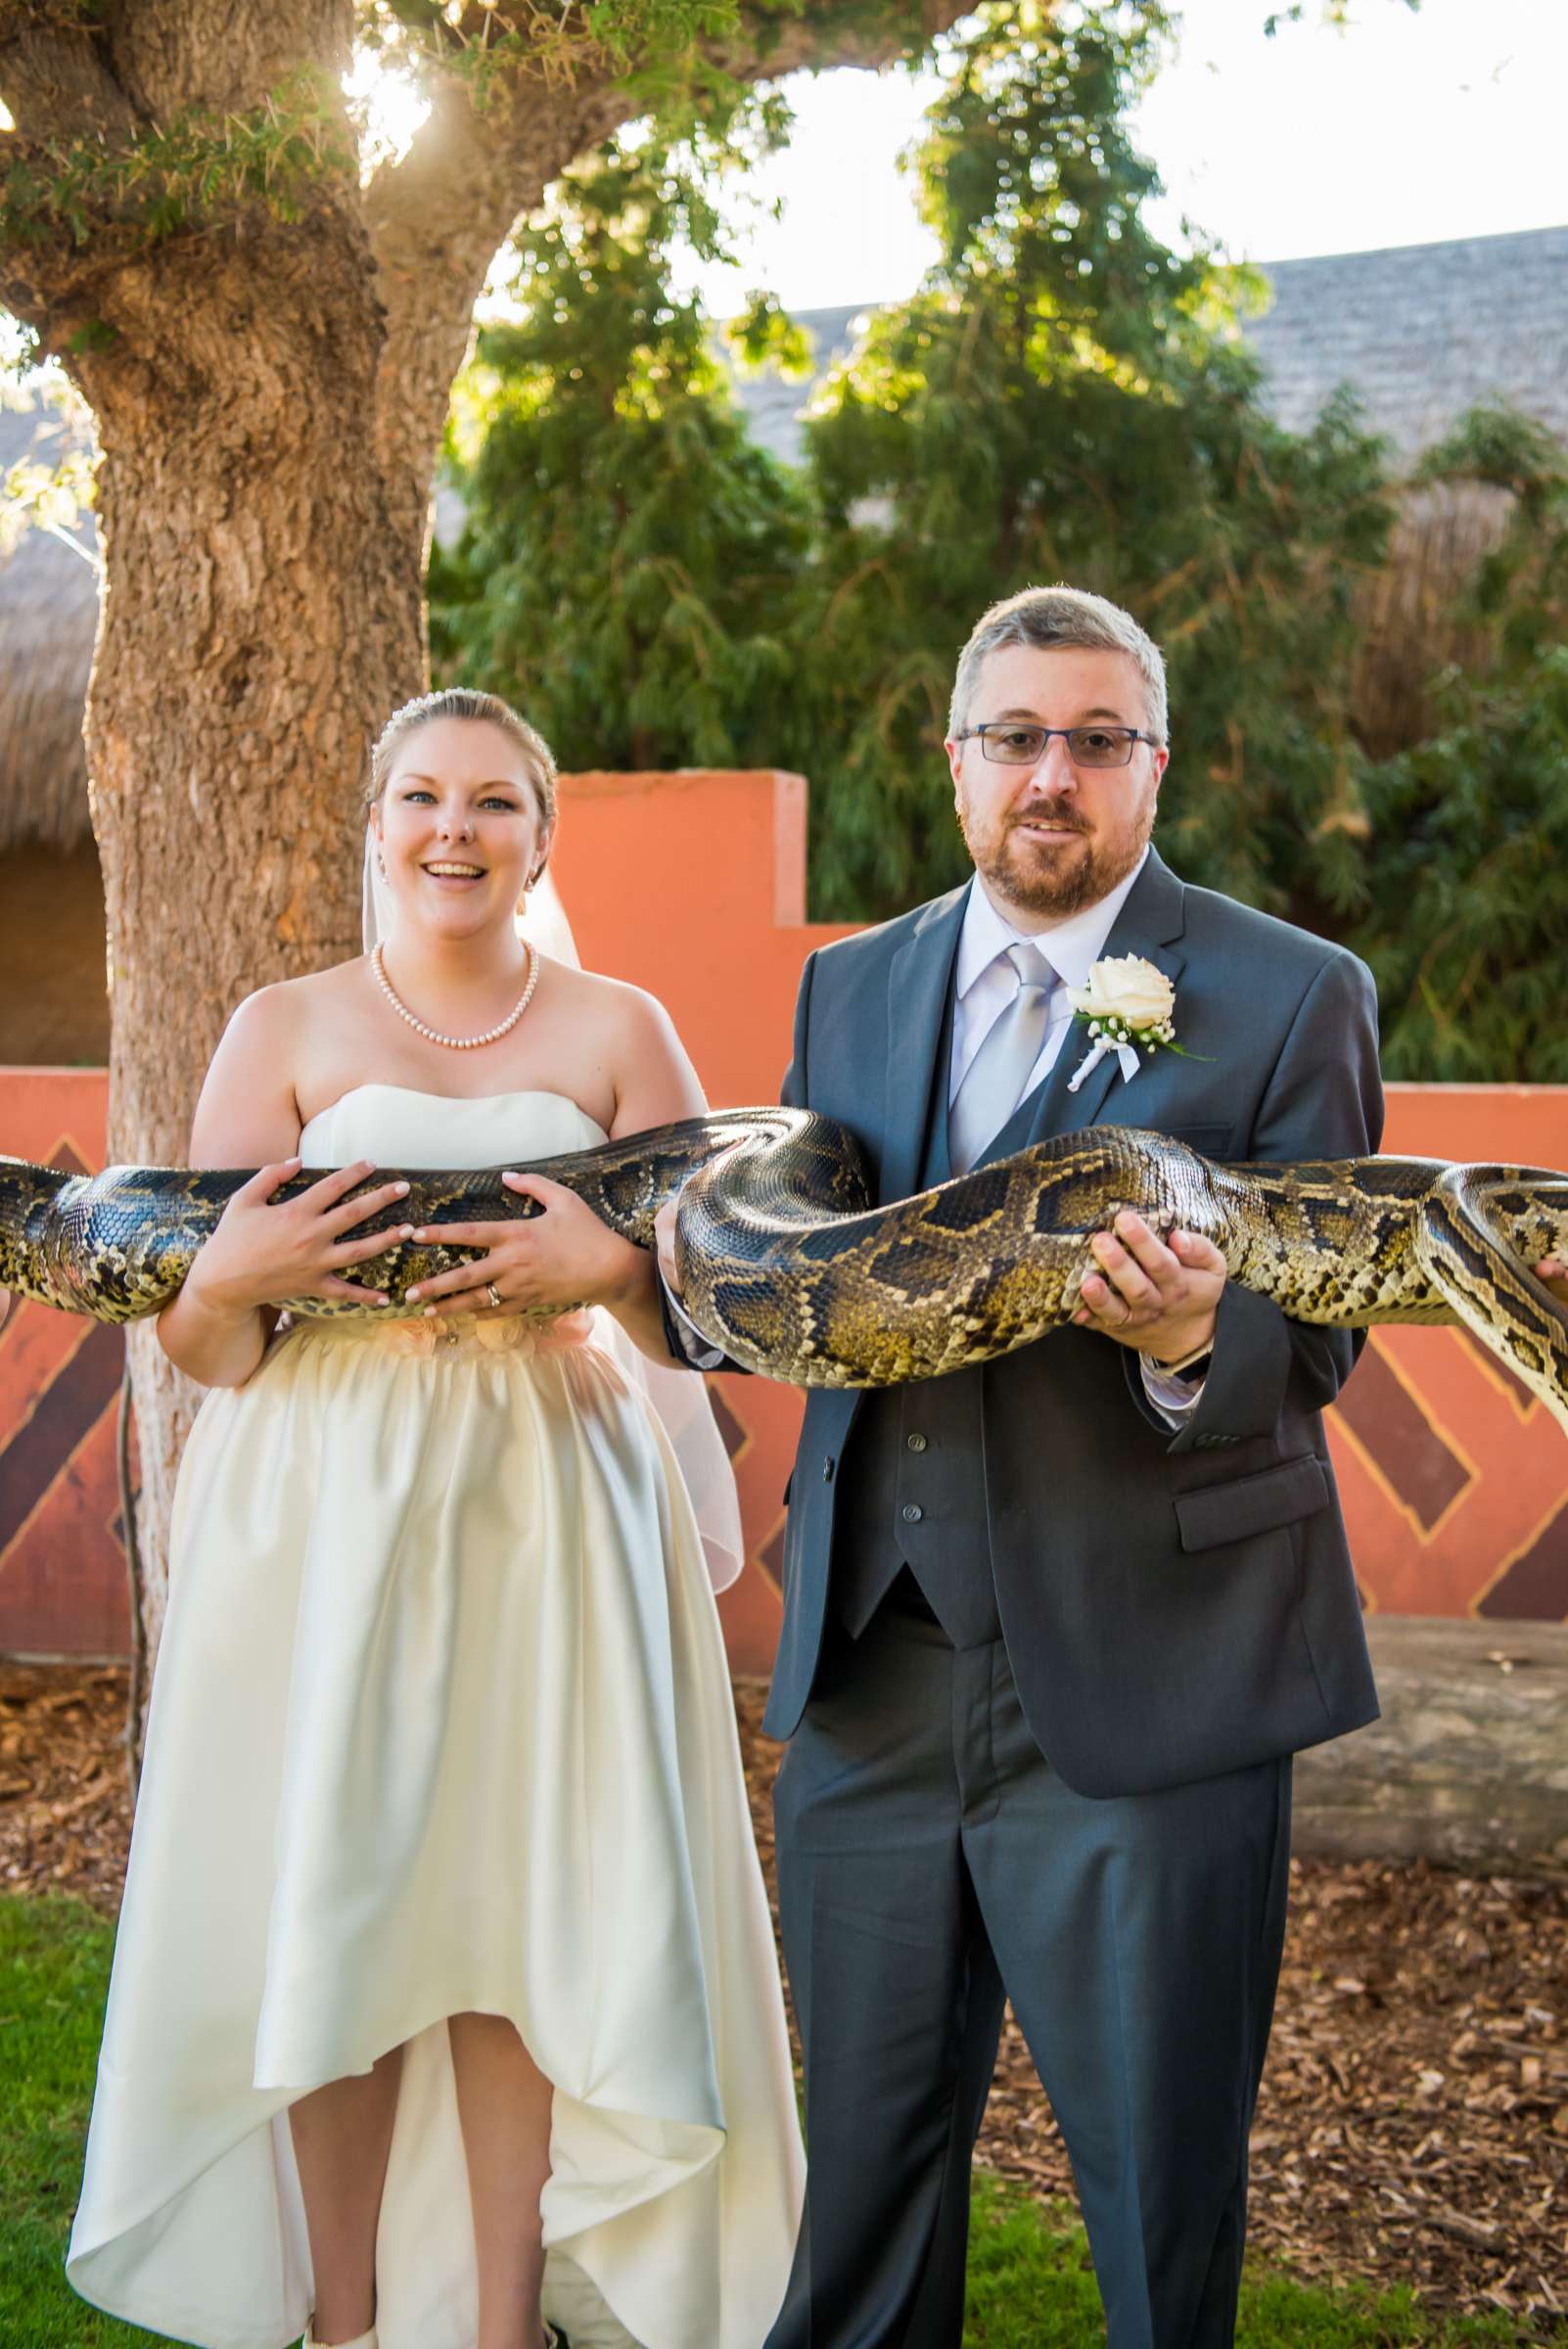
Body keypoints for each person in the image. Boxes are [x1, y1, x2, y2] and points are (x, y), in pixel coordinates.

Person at [659, 581, 1384, 2349]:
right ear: (956, 760)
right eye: (1014, 739)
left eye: (1092, 741)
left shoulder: (1291, 996)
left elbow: (1331, 1329)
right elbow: (796, 1270)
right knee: (867, 2188)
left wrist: (1185, 1341)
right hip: (874, 1677)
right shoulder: (852, 984)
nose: (1048, 776)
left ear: (1154, 767)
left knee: (1154, 2198)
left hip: (1150, 1673)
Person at [68, 688, 804, 2349]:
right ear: (377, 825)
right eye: (419, 797)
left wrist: (611, 1269)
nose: (452, 829)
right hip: (326, 1498)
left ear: (544, 835)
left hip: (551, 1493)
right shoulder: (284, 1028)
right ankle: (341, 2322)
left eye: (490, 800)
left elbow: (706, 1307)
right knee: (344, 1897)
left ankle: (496, 2328)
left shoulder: (623, 1028)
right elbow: (205, 1349)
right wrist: (229, 1275)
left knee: (523, 1900)